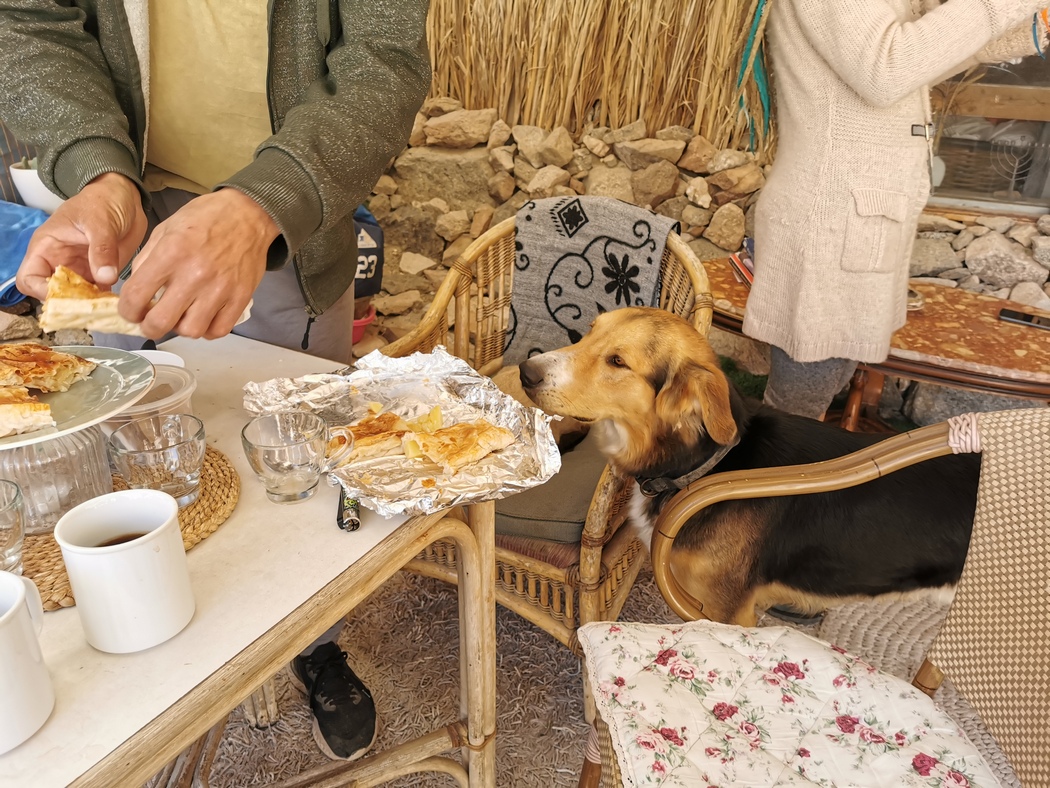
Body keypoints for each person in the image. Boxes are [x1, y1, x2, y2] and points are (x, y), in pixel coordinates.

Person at [0, 0, 431, 761]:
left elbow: (384, 58)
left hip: (290, 229)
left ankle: (317, 647)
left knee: (308, 470)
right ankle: (159, 654)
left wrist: (268, 200)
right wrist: (94, 168)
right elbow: (29, 19)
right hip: (126, 217)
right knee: (144, 462)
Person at [745, 0, 1049, 421]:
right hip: (832, 224)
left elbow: (906, 68)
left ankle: (793, 476)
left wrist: (1004, 39)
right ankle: (774, 483)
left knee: (818, 391)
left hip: (852, 218)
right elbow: (887, 69)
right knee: (795, 410)